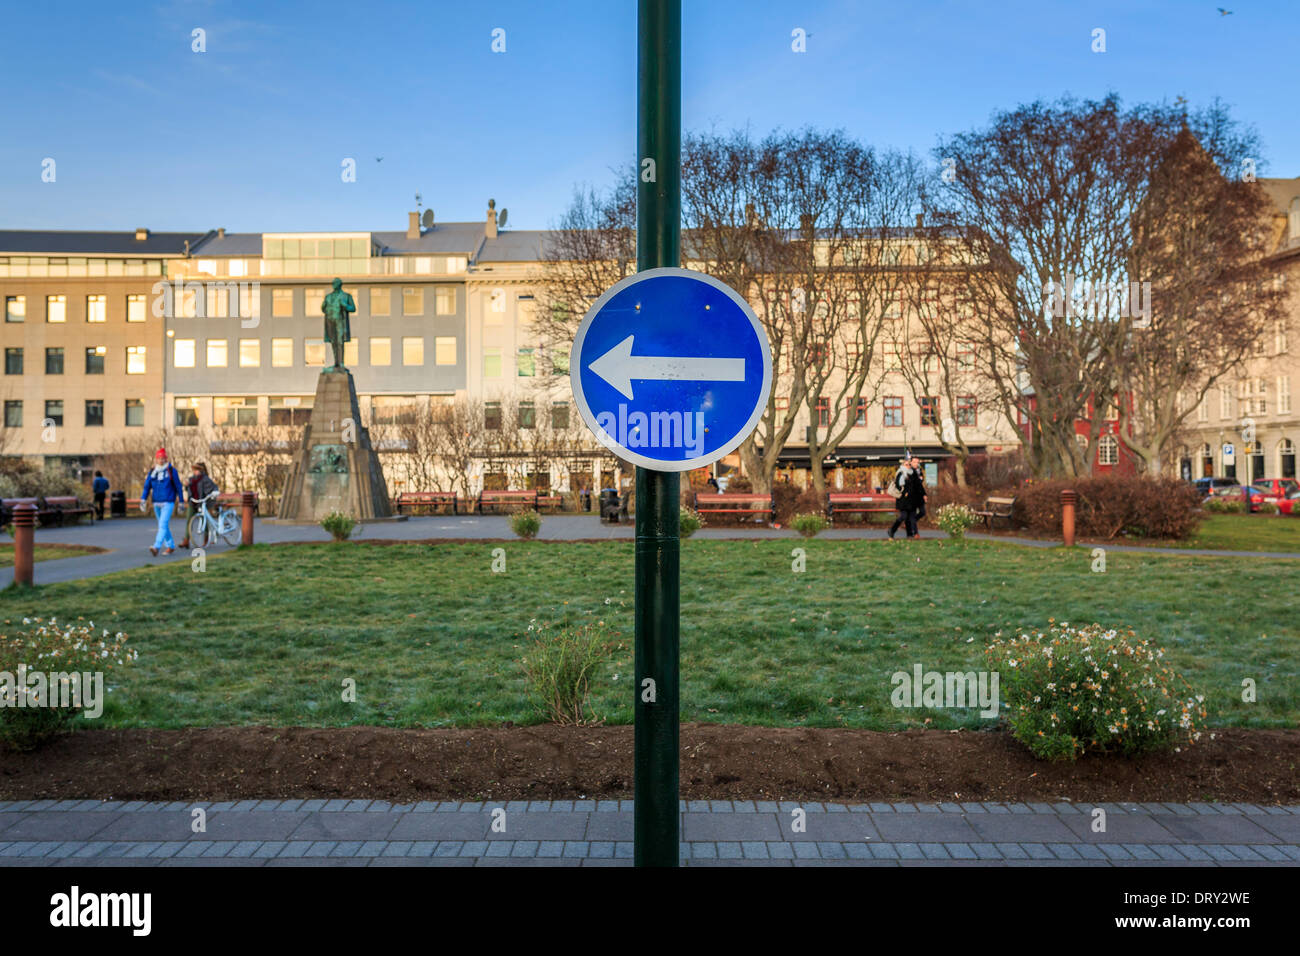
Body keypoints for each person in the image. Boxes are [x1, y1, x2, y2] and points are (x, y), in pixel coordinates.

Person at [139, 448, 184, 556]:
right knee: (163, 525)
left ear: (166, 459)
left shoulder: (171, 471)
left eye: (163, 458)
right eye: (159, 458)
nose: (161, 460)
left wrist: (181, 501)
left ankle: (156, 546)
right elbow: (147, 487)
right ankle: (171, 546)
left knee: (163, 524)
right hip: (156, 502)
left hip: (168, 501)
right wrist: (143, 500)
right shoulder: (152, 471)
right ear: (156, 459)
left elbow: (178, 486)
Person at [179, 462, 220, 549]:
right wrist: (186, 486)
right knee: (189, 520)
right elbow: (188, 489)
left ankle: (206, 539)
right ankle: (186, 540)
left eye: (197, 470)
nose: (195, 471)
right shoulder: (191, 479)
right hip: (193, 502)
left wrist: (214, 493)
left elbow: (214, 488)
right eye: (194, 470)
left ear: (201, 470)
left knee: (204, 521)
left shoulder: (205, 479)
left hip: (202, 503)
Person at [888, 458, 926, 540]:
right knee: (903, 516)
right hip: (903, 499)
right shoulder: (901, 473)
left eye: (909, 464)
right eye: (906, 464)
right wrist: (905, 492)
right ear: (902, 465)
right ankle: (892, 530)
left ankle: (909, 535)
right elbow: (898, 485)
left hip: (912, 500)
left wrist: (923, 494)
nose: (908, 466)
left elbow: (918, 485)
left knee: (911, 517)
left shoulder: (913, 473)